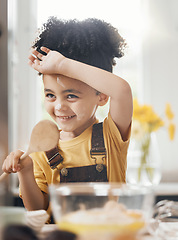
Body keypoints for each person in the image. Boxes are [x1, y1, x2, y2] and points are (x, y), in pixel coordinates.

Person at [2, 17, 133, 213]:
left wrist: (63, 65)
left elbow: (122, 91)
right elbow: (37, 209)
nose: (59, 106)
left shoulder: (111, 136)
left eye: (71, 95)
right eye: (50, 95)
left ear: (102, 96)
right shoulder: (41, 147)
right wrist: (26, 171)